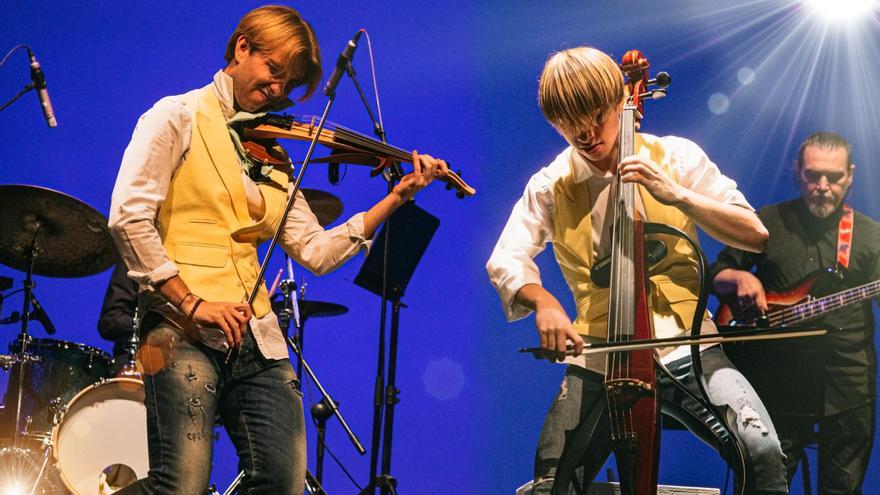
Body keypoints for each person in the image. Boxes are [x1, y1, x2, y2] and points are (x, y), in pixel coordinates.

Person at [108, 6, 448, 493]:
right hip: (182, 328)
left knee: (281, 482)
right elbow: (128, 216)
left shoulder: (273, 152)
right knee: (179, 486)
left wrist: (396, 197)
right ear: (242, 48)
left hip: (258, 336)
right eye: (274, 72)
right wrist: (190, 302)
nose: (278, 92)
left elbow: (316, 250)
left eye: (287, 85)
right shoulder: (175, 116)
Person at [486, 46, 788, 494]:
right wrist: (544, 302)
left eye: (595, 118)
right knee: (552, 484)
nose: (585, 135)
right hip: (599, 356)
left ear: (621, 104)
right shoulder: (551, 184)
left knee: (762, 456)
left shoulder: (676, 158)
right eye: (569, 125)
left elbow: (754, 233)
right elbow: (507, 257)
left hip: (688, 344)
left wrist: (678, 195)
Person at [710, 132, 880, 494]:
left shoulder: (869, 235)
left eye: (833, 178)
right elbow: (715, 273)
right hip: (777, 382)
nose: (822, 186)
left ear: (850, 176)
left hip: (848, 382)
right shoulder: (768, 221)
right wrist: (736, 278)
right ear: (797, 172)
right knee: (769, 484)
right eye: (812, 175)